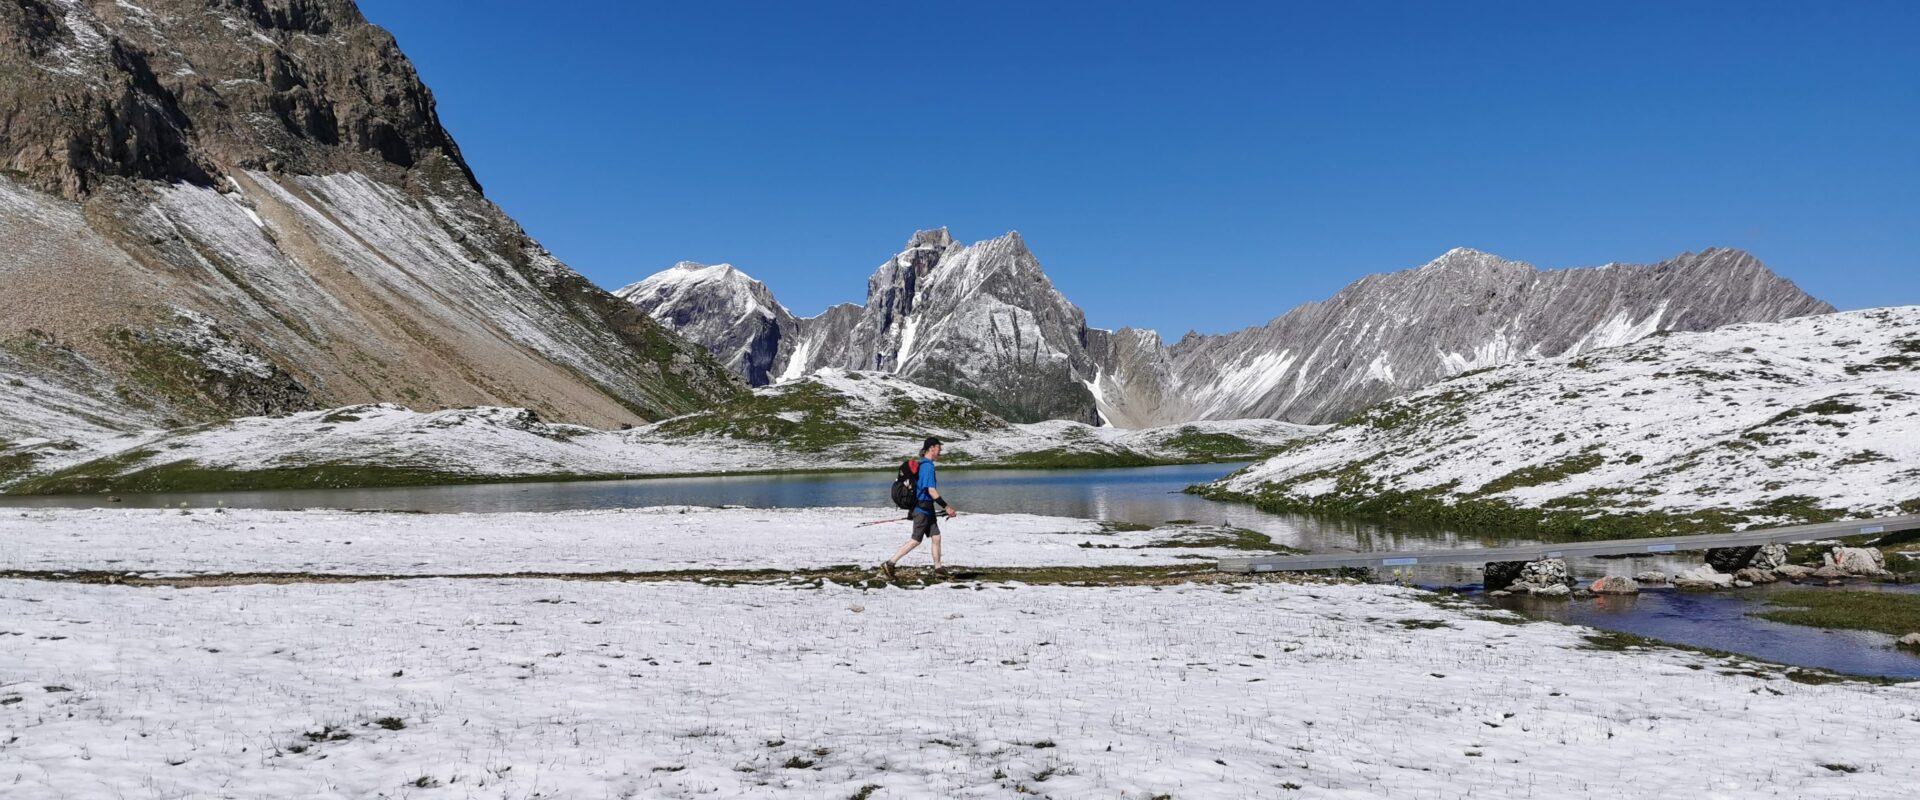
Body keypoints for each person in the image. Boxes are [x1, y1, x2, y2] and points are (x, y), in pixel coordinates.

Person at [880, 437, 957, 579]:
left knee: (936, 537)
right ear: (932, 448)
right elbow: (931, 491)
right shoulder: (927, 467)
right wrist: (947, 507)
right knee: (916, 540)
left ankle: (938, 569)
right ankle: (890, 563)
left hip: (927, 509)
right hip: (922, 509)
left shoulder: (924, 465)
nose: (940, 450)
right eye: (939, 448)